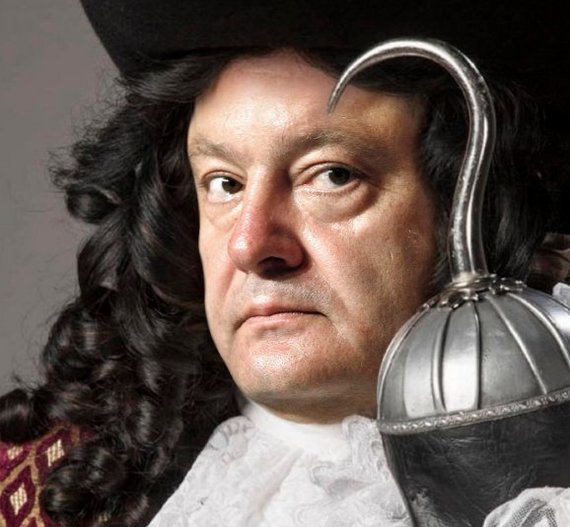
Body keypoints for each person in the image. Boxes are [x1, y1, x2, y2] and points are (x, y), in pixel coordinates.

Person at [1, 1, 569, 526]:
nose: (251, 245)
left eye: (333, 176)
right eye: (225, 184)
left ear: (475, 209)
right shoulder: (36, 489)